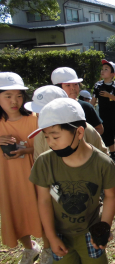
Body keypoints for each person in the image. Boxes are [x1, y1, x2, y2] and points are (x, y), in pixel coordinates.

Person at [29, 98, 115, 264]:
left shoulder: (103, 163)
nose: (50, 143)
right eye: (46, 137)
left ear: (79, 132)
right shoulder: (44, 163)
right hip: (59, 235)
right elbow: (43, 201)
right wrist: (50, 237)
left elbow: (110, 197)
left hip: (91, 232)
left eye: (55, 137)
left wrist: (103, 229)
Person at [0, 72, 49, 263]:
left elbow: (45, 145)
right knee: (15, 211)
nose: (15, 101)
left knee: (41, 209)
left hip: (34, 173)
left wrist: (25, 150)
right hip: (8, 178)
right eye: (8, 96)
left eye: (19, 95)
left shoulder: (34, 118)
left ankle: (47, 248)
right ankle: (29, 248)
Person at [23, 85, 108, 161]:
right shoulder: (40, 135)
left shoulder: (86, 129)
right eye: (38, 114)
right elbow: (39, 165)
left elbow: (103, 156)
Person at [91, 60, 115, 170]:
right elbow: (93, 101)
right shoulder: (98, 85)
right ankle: (113, 155)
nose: (103, 71)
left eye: (106, 69)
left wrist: (109, 96)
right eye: (102, 69)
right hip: (103, 117)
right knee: (107, 137)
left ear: (112, 74)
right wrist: (89, 111)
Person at [51, 67, 104, 135]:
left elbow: (99, 128)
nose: (73, 88)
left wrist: (86, 139)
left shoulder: (86, 107)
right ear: (58, 88)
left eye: (76, 84)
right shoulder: (52, 109)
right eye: (68, 85)